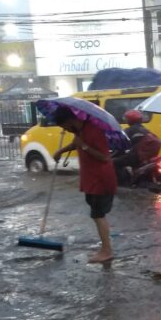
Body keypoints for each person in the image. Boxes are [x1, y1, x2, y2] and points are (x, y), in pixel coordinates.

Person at [52, 106, 117, 263]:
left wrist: (83, 145)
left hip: (101, 179)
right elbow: (77, 143)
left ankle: (107, 251)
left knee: (98, 215)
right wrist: (61, 151)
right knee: (97, 215)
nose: (65, 130)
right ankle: (105, 247)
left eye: (64, 126)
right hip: (90, 179)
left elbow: (104, 157)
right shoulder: (79, 131)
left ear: (70, 120)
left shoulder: (94, 130)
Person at [113, 109, 161, 184]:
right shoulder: (145, 129)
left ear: (130, 120)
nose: (126, 120)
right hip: (145, 157)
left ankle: (123, 183)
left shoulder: (129, 130)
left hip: (135, 157)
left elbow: (120, 143)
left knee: (112, 162)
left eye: (126, 119)